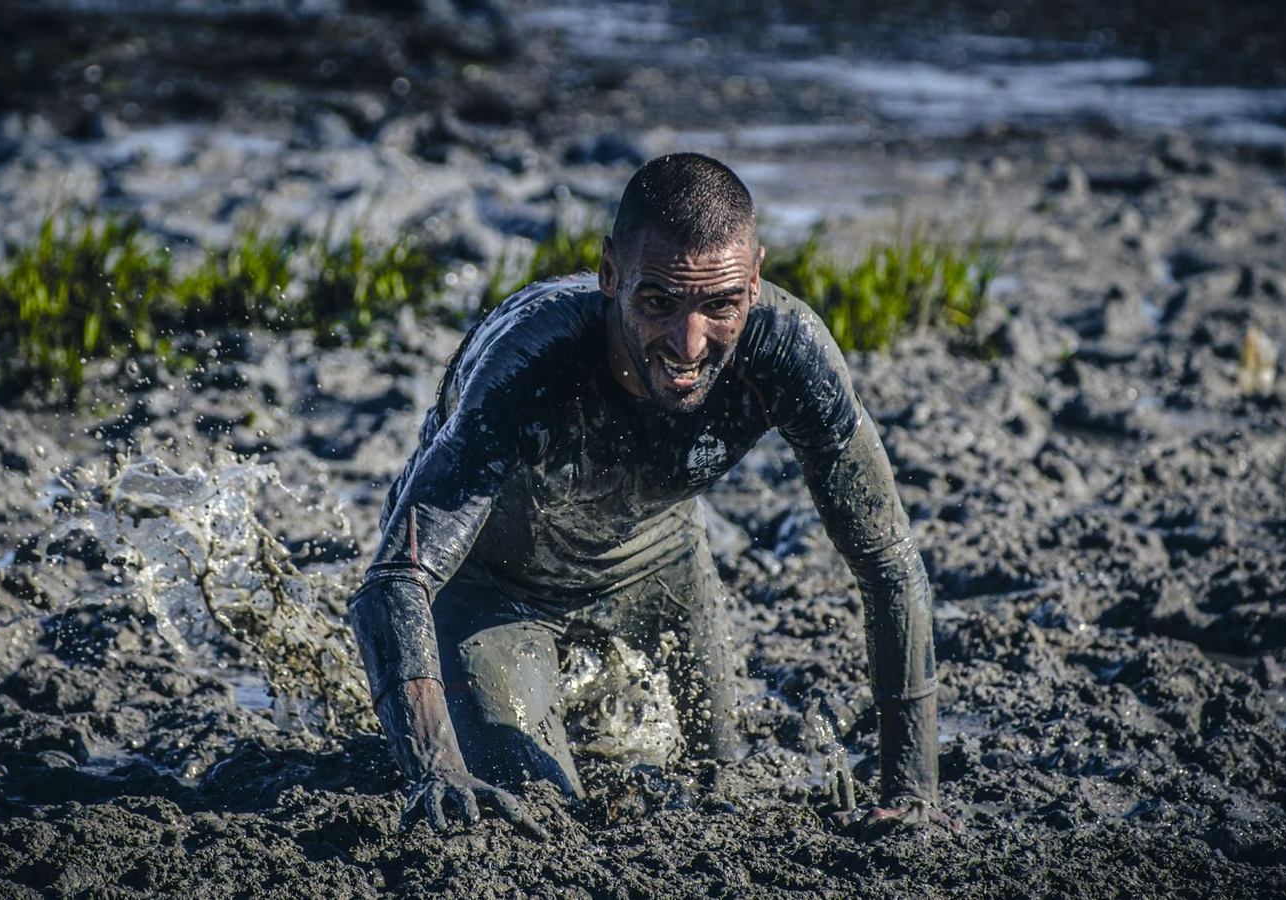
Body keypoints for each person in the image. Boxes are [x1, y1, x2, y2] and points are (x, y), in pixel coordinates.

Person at [349, 152, 937, 838]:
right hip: (494, 591)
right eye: (658, 301)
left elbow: (889, 562)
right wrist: (434, 768)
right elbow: (394, 578)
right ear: (608, 276)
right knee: (541, 817)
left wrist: (912, 789)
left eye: (721, 305)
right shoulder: (531, 360)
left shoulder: (789, 351)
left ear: (754, 280)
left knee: (725, 781)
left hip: (661, 564)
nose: (689, 344)